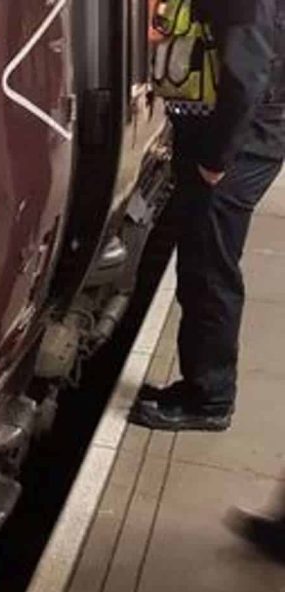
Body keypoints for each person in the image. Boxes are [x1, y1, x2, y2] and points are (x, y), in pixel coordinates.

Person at [130, 0, 285, 432]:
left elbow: (248, 74)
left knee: (208, 270)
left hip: (237, 145)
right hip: (221, 134)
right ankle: (201, 384)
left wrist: (217, 158)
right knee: (202, 264)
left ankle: (210, 399)